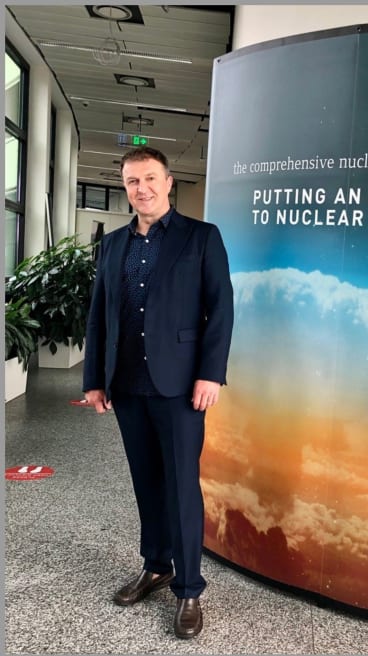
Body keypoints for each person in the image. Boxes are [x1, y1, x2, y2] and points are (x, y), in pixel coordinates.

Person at [82, 146, 234, 639]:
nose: (141, 188)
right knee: (147, 483)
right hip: (127, 386)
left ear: (169, 183)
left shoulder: (201, 238)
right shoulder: (113, 245)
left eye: (149, 178)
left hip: (181, 388)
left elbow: (221, 310)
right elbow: (99, 315)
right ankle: (156, 565)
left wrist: (211, 375)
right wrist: (94, 380)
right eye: (131, 181)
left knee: (181, 487)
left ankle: (189, 588)